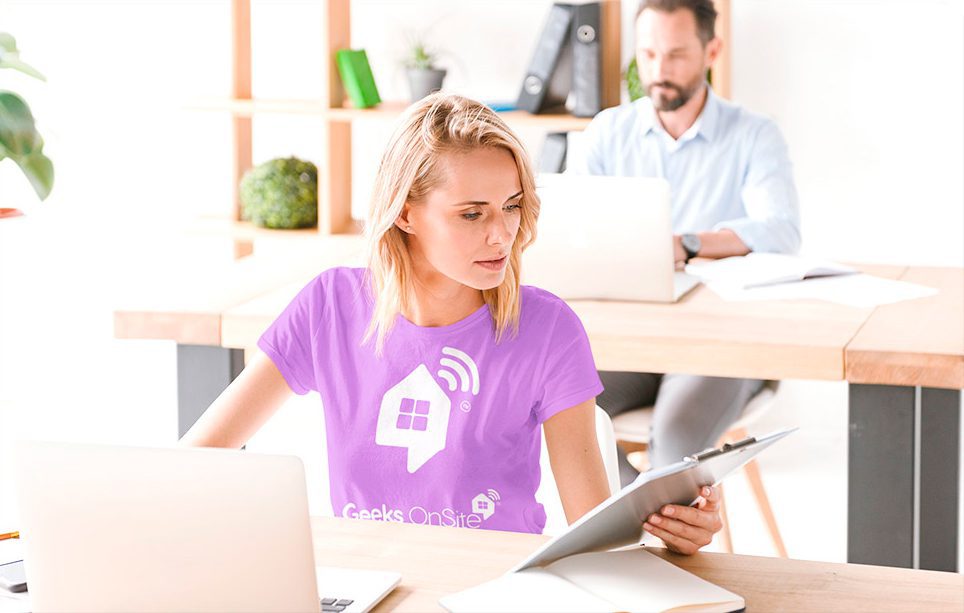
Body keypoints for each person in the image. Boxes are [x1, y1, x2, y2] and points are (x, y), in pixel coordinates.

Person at [180, 93, 721, 554]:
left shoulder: (548, 329)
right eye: (472, 213)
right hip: (371, 585)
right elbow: (194, 463)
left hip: (498, 591)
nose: (502, 233)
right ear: (405, 212)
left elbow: (598, 539)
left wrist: (671, 534)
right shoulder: (330, 306)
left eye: (511, 206)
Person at [568, 0, 801, 484]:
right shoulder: (609, 132)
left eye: (675, 55)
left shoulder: (754, 135)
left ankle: (651, 529)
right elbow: (576, 228)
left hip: (719, 345)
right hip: (629, 341)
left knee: (675, 448)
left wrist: (687, 244)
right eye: (647, 55)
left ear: (711, 50)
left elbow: (781, 231)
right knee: (558, 414)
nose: (658, 71)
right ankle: (630, 527)